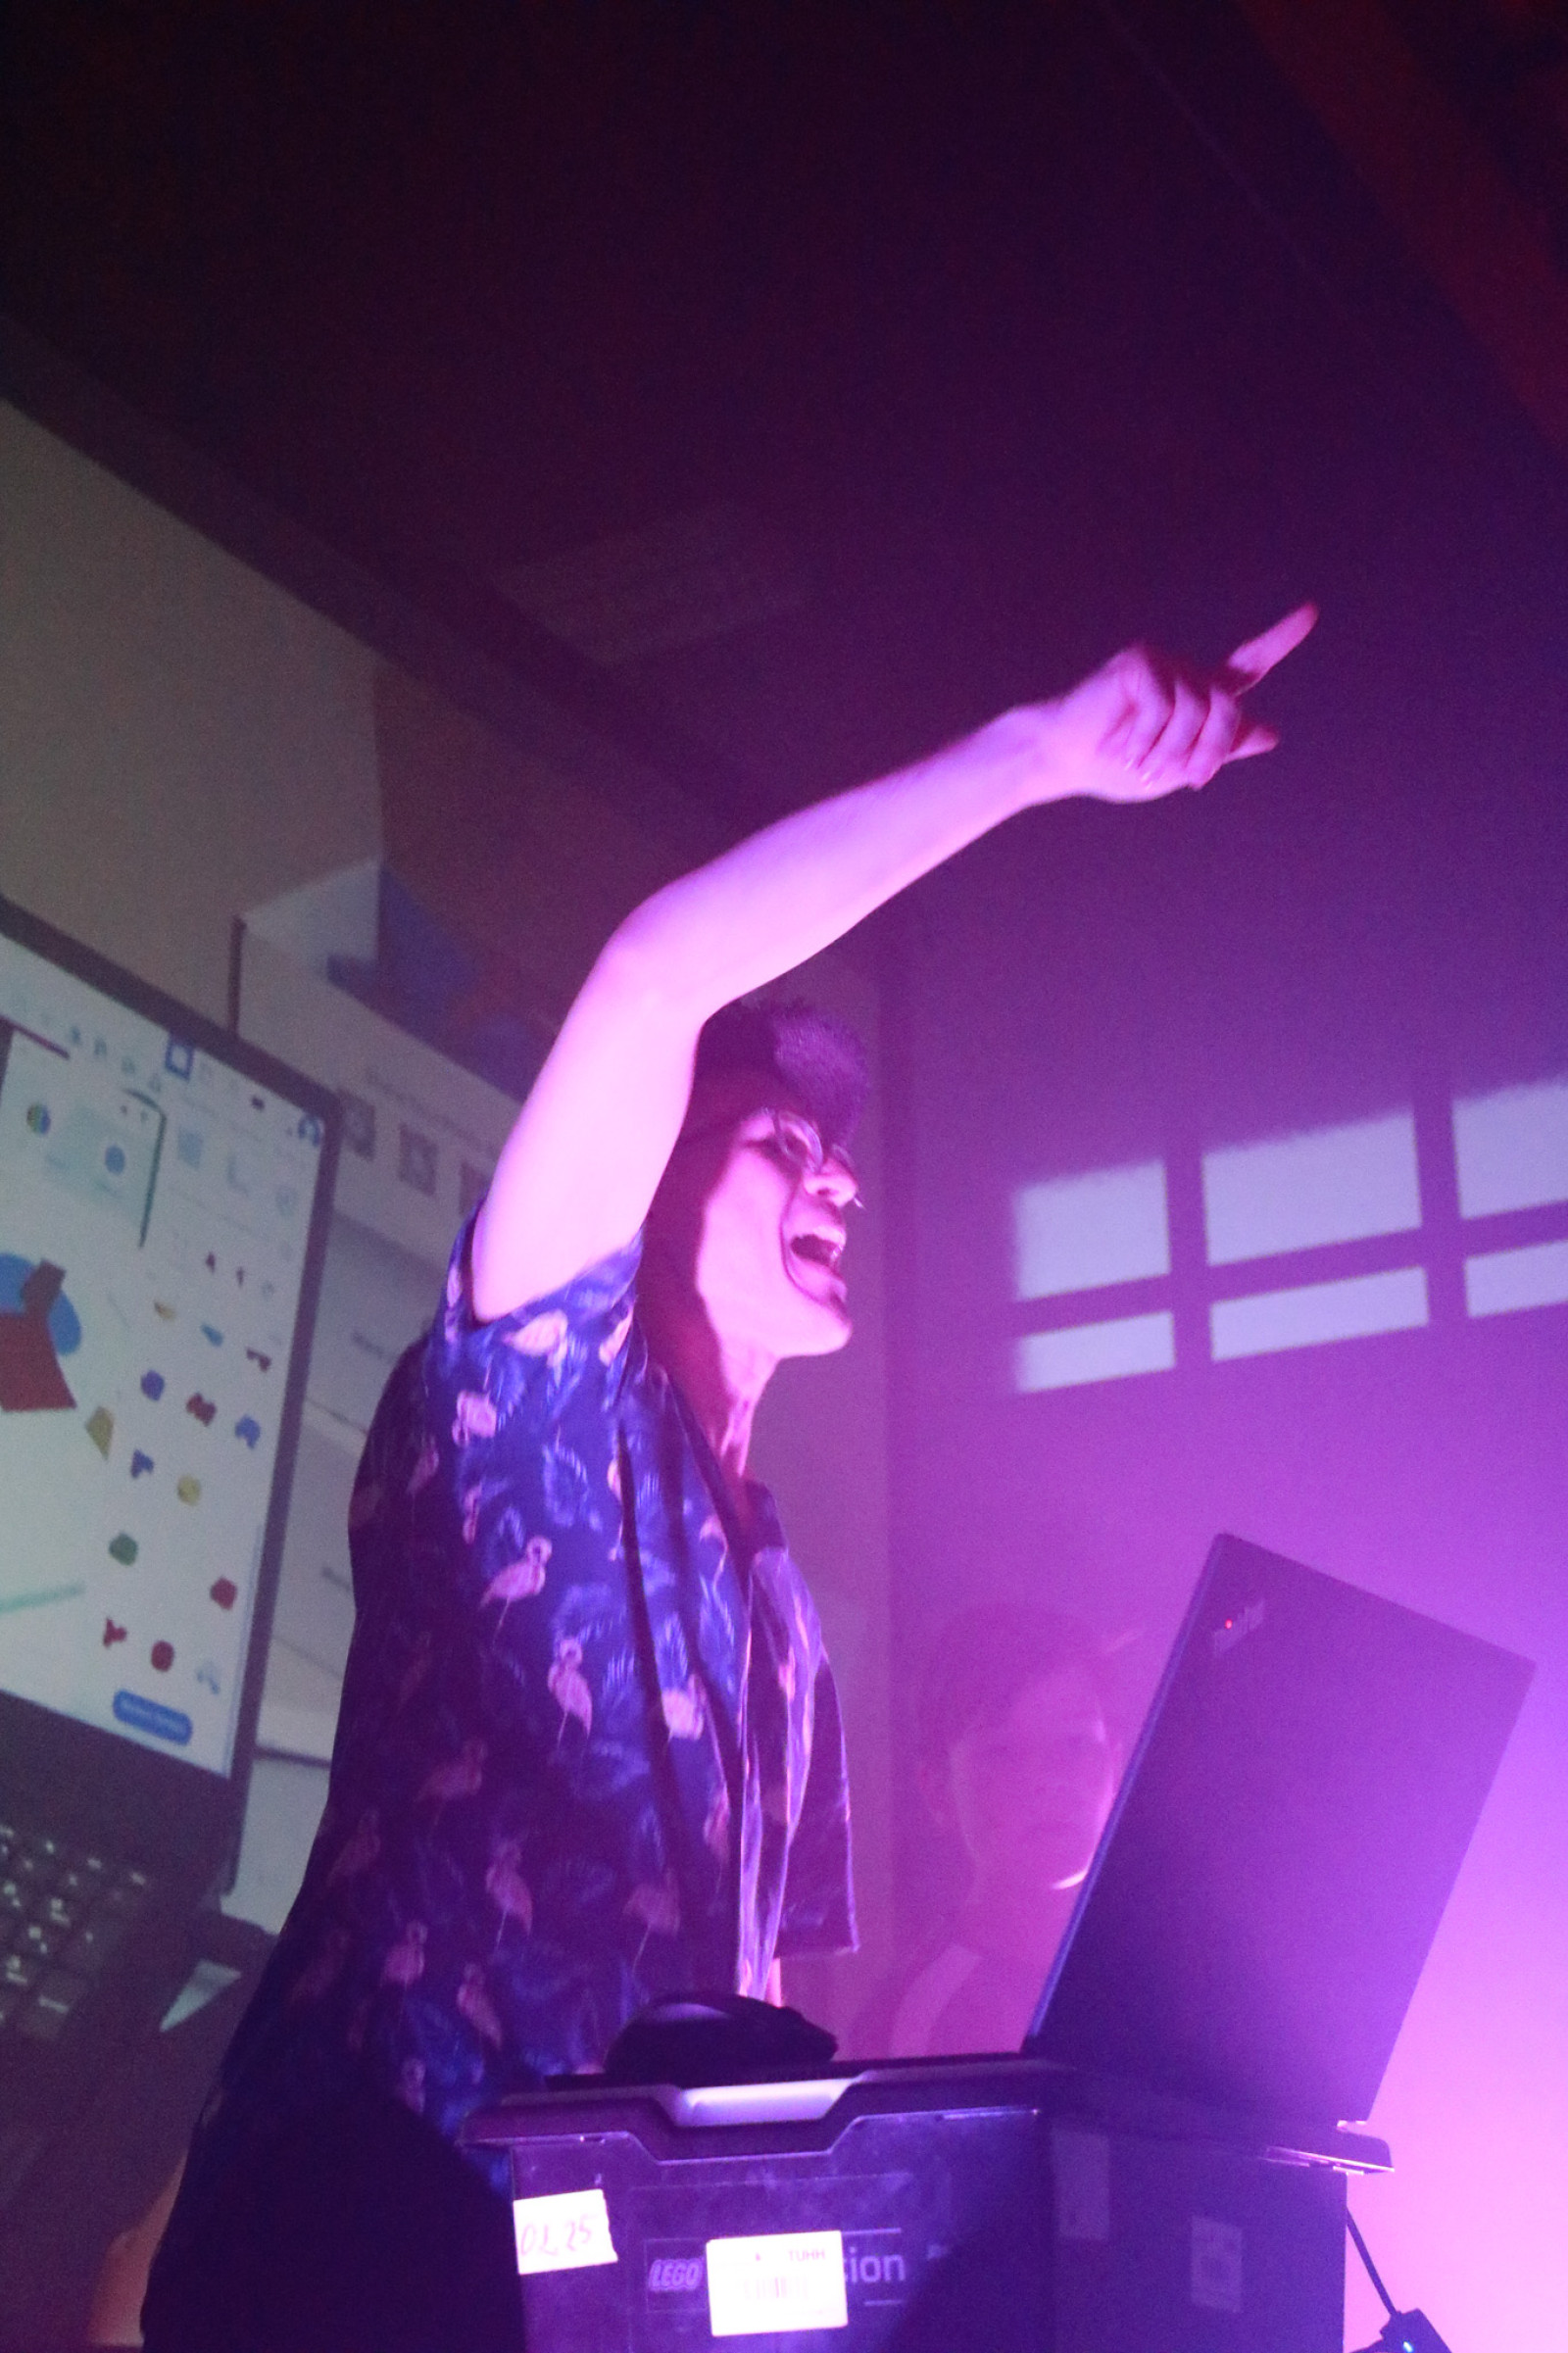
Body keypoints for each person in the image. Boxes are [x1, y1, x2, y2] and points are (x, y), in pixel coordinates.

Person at [141, 606, 1315, 2352]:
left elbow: (743, 2009)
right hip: (370, 2217)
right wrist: (1037, 757)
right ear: (649, 1182)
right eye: (779, 1141)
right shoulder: (535, 1377)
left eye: (837, 1153)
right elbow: (657, 973)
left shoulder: (779, 1609)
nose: (835, 1178)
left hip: (582, 2284)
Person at [851, 1604, 1122, 2060]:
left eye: (1075, 1745)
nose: (1047, 1781)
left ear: (1116, 1761)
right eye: (1003, 1754)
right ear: (938, 1791)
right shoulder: (922, 2022)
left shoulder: (1163, 1963)